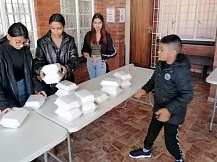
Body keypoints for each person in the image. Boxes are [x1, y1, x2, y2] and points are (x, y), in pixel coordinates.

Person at [129, 34, 193, 162]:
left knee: (170, 141)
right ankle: (146, 151)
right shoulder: (160, 64)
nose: (158, 51)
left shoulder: (180, 71)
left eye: (161, 49)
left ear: (172, 52)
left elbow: (187, 94)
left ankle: (179, 159)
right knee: (152, 131)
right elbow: (153, 80)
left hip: (173, 113)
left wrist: (168, 110)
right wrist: (144, 89)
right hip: (159, 106)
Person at [0, 22, 34, 115]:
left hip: (25, 88)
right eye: (18, 42)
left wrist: (38, 88)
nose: (21, 45)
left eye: (24, 42)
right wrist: (2, 105)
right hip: (8, 94)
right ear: (8, 37)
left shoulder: (25, 49)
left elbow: (30, 72)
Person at [32, 13, 78, 96]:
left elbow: (74, 59)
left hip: (67, 81)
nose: (56, 32)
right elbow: (38, 62)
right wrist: (40, 70)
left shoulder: (70, 40)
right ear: (49, 27)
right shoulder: (42, 42)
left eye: (59, 28)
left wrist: (66, 68)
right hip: (50, 83)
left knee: (68, 103)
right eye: (53, 28)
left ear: (63, 27)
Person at [81, 13, 116, 79]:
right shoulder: (88, 35)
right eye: (95, 23)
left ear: (102, 24)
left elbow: (113, 53)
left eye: (99, 23)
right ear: (92, 23)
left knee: (100, 82)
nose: (97, 25)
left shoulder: (107, 36)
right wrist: (85, 53)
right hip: (90, 61)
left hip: (100, 62)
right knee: (92, 82)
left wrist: (101, 57)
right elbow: (84, 49)